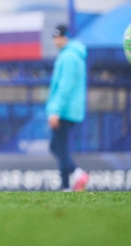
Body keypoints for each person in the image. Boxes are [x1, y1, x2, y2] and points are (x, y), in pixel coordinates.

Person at [47, 24, 90, 192]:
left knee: (60, 148)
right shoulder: (72, 55)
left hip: (65, 110)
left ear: (66, 37)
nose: (56, 41)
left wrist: (56, 110)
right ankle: (66, 184)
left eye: (58, 37)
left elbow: (64, 87)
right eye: (54, 38)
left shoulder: (69, 57)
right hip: (70, 109)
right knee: (57, 147)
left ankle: (75, 176)